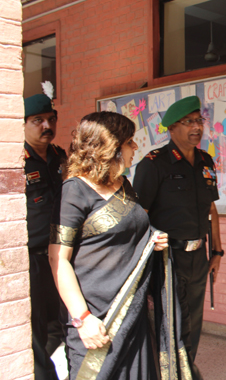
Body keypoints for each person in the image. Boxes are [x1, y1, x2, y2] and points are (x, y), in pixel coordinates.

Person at [49, 112, 193, 379]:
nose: (135, 147)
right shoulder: (74, 191)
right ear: (109, 146)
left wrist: (152, 240)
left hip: (131, 311)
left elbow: (131, 232)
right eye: (129, 142)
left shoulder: (124, 185)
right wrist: (82, 318)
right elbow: (58, 259)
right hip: (96, 317)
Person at [133, 96, 223, 365]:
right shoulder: (153, 164)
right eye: (189, 122)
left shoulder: (206, 161)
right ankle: (170, 372)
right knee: (172, 323)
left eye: (199, 121)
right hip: (167, 258)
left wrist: (217, 252)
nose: (197, 127)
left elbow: (211, 209)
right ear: (172, 128)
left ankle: (186, 369)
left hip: (198, 256)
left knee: (194, 323)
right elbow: (139, 217)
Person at [23, 93, 67, 380]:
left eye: (51, 119)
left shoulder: (59, 157)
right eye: (38, 120)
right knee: (35, 329)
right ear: (23, 124)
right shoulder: (16, 162)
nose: (46, 126)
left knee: (61, 324)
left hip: (62, 256)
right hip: (34, 260)